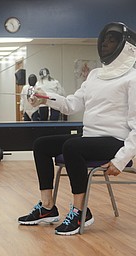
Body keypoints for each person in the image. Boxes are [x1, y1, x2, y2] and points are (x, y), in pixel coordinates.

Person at [18, 21, 136, 235]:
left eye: (113, 40)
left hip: (115, 142)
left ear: (127, 45)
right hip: (90, 140)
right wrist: (46, 98)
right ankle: (47, 208)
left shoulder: (133, 78)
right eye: (105, 39)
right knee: (42, 144)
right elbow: (73, 104)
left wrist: (121, 159)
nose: (106, 44)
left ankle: (81, 212)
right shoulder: (94, 75)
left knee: (73, 146)